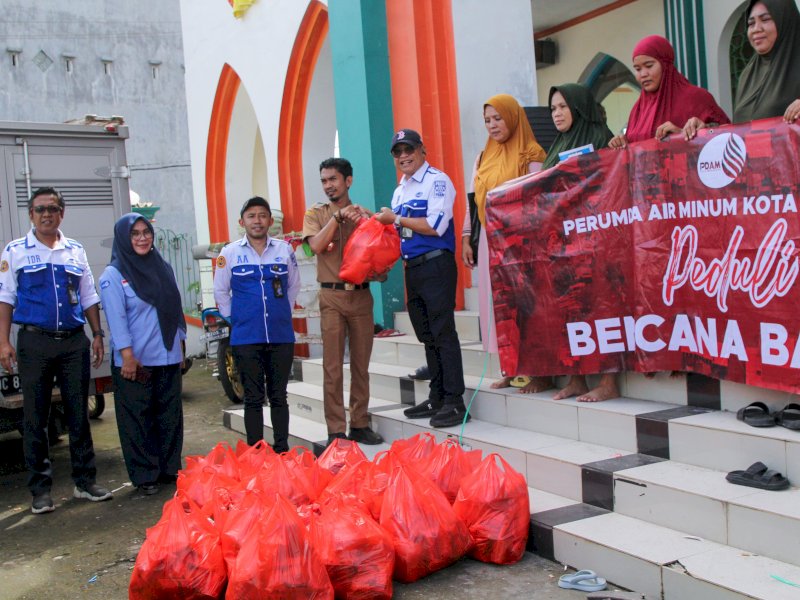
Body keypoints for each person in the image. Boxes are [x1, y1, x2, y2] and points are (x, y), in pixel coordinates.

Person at [0, 187, 112, 514]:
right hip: (34, 343)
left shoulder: (74, 251)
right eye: (40, 209)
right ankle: (40, 490)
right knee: (35, 417)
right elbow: (6, 297)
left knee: (79, 413)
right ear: (31, 215)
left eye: (52, 208)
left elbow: (88, 295)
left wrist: (97, 334)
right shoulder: (15, 251)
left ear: (61, 213)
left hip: (74, 342)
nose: (46, 214)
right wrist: (4, 341)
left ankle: (85, 482)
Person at [375, 129, 469, 428]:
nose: (404, 156)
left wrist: (396, 219)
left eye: (409, 149)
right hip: (412, 268)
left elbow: (435, 226)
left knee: (443, 333)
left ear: (422, 149)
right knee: (426, 334)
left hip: (436, 265)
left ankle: (455, 401)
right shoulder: (400, 189)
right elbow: (397, 232)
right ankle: (437, 395)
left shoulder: (437, 181)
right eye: (398, 152)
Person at [461, 94, 548, 394]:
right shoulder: (483, 156)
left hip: (520, 240)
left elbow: (538, 200)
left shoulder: (532, 153)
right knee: (499, 306)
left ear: (512, 117)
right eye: (487, 120)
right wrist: (466, 236)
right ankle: (510, 368)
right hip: (489, 239)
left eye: (498, 118)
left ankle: (539, 371)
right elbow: (474, 199)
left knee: (527, 303)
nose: (492, 125)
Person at [541, 84, 621, 402]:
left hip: (596, 238)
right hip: (562, 242)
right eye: (552, 108)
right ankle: (577, 378)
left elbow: (613, 183)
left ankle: (608, 381)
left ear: (578, 107)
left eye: (562, 107)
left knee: (602, 309)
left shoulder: (600, 138)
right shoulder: (557, 145)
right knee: (569, 311)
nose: (557, 113)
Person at [99, 213, 187, 495]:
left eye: (146, 232)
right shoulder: (113, 275)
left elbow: (174, 308)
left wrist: (181, 347)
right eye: (134, 233)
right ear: (124, 239)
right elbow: (116, 318)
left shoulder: (163, 267)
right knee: (138, 419)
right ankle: (145, 475)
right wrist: (126, 355)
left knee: (169, 416)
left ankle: (168, 468)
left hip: (168, 355)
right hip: (135, 361)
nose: (142, 238)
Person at [302, 158, 383, 446]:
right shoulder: (317, 214)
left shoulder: (363, 214)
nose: (328, 186)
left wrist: (368, 224)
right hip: (332, 296)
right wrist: (337, 219)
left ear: (348, 181)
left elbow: (379, 257)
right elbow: (315, 247)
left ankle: (359, 423)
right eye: (324, 180)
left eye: (333, 180)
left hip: (361, 296)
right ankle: (336, 430)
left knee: (361, 365)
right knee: (332, 366)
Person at [213, 197, 299, 451]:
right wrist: (236, 319)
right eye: (251, 216)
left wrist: (281, 312)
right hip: (246, 337)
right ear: (242, 222)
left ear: (270, 222)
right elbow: (220, 292)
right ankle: (255, 451)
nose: (257, 220)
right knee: (252, 397)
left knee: (279, 396)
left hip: (280, 334)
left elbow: (293, 286)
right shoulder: (229, 253)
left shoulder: (284, 250)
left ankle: (281, 448)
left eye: (262, 215)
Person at [685, 0, 800, 138]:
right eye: (751, 23)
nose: (757, 28)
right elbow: (741, 129)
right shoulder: (748, 74)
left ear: (785, 21)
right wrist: (704, 130)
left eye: (765, 19)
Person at [608, 35, 729, 148]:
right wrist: (622, 144)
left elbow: (727, 137)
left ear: (665, 64)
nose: (643, 74)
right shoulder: (637, 110)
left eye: (649, 66)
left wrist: (682, 135)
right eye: (638, 69)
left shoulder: (696, 98)